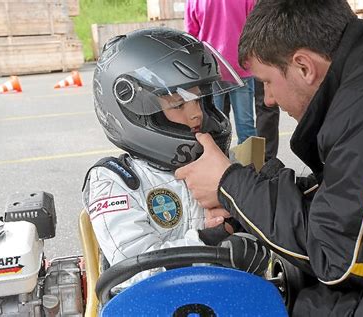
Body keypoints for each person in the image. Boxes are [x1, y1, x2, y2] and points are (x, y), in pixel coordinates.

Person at [175, 0, 363, 315]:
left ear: (304, 67)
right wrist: (245, 198)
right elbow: (349, 194)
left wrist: (230, 185)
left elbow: (337, 259)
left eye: (267, 81)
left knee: (302, 305)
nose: (267, 99)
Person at [81, 28, 268, 287]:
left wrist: (244, 232)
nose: (196, 116)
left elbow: (264, 234)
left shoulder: (219, 165)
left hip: (222, 296)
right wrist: (212, 239)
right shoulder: (115, 180)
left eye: (200, 100)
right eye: (178, 104)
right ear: (137, 112)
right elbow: (135, 269)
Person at [185, 0, 257, 144]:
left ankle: (217, 164)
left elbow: (190, 37)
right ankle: (251, 165)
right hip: (241, 66)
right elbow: (254, 28)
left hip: (209, 69)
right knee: (246, 126)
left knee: (212, 126)